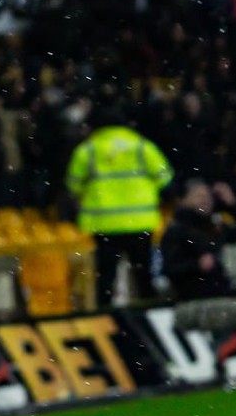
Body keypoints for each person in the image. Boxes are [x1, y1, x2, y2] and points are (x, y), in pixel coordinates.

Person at [66, 117, 173, 305]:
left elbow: (73, 184)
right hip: (140, 222)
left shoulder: (88, 150)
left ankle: (106, 316)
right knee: (143, 276)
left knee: (106, 278)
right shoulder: (142, 146)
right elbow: (165, 178)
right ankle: (148, 312)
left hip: (104, 224)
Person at [159, 179, 236, 302]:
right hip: (192, 299)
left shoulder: (214, 227)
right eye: (199, 196)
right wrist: (197, 265)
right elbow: (170, 268)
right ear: (184, 201)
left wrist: (232, 205)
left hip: (220, 294)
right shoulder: (176, 230)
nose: (205, 200)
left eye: (208, 196)